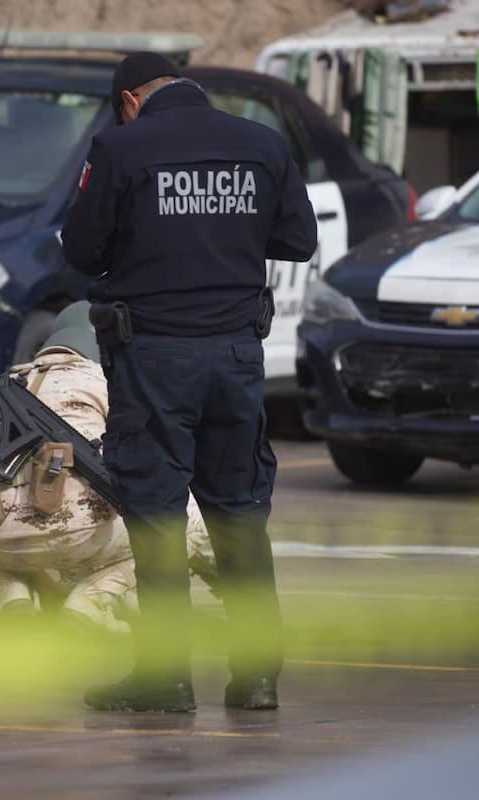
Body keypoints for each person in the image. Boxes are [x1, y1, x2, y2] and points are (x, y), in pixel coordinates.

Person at [60, 52, 317, 712]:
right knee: (238, 517)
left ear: (129, 100)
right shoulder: (261, 143)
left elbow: (81, 250)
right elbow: (297, 240)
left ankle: (166, 680)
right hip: (236, 357)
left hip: (154, 359)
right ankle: (258, 679)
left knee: (156, 518)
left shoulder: (120, 147)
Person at [0, 302, 219, 635]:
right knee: (186, 521)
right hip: (76, 531)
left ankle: (11, 595)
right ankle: (88, 602)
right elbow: (148, 463)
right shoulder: (109, 383)